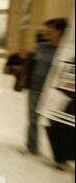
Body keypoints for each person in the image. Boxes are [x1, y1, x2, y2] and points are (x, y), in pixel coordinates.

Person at [26, 18, 68, 156]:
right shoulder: (41, 46)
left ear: (60, 31)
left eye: (51, 29)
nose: (47, 31)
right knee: (33, 119)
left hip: (52, 92)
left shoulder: (63, 51)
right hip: (35, 88)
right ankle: (32, 146)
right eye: (47, 28)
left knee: (54, 123)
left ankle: (59, 154)